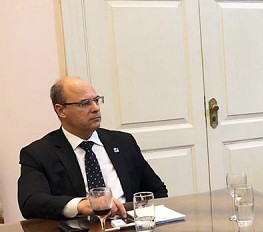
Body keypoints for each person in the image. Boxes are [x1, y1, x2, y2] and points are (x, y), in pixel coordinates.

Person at [18, 76, 168, 220]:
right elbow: (30, 203)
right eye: (85, 103)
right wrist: (81, 205)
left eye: (96, 100)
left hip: (128, 227)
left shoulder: (123, 142)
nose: (96, 108)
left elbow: (157, 190)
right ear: (61, 110)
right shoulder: (38, 153)